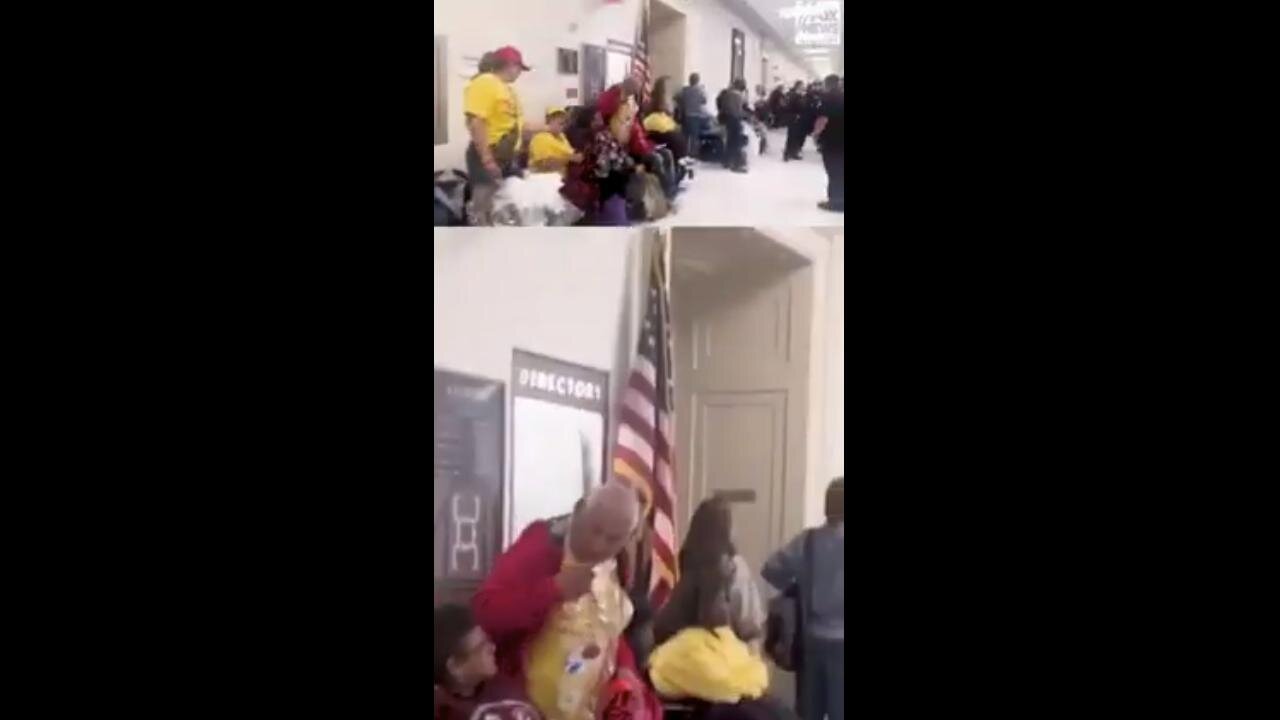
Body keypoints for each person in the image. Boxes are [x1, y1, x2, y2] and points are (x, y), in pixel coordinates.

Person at [471, 482, 658, 720]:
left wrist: (625, 666)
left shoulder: (619, 565)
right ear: (579, 510)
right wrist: (553, 589)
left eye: (613, 538)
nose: (598, 544)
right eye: (594, 529)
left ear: (629, 538)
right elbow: (485, 612)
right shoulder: (540, 545)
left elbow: (607, 628)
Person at [762, 478, 844, 720]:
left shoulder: (807, 542)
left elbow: (771, 570)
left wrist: (800, 583)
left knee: (809, 714)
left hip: (811, 641)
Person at [653, 496, 766, 651]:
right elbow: (750, 626)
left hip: (681, 660)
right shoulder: (736, 569)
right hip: (727, 662)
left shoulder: (686, 563)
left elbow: (664, 627)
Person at [435, 603, 543, 720]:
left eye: (487, 640)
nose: (492, 648)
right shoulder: (446, 711)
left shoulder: (504, 685)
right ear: (455, 667)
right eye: (480, 647)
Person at [463, 45, 533, 224]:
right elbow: (476, 121)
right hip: (488, 154)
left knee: (506, 205)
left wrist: (550, 128)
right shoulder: (485, 82)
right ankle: (480, 242)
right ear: (510, 65)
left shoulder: (509, 91)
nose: (519, 73)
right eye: (519, 68)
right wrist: (487, 159)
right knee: (484, 207)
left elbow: (519, 124)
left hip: (507, 157)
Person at [561, 85, 639, 225]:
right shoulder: (600, 136)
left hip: (604, 183)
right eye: (596, 118)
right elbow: (606, 167)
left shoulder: (602, 133)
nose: (599, 120)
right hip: (602, 186)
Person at [811, 75, 844, 212]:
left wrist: (815, 134)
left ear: (827, 84)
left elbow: (823, 119)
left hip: (832, 140)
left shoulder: (828, 98)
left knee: (833, 170)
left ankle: (836, 202)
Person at [528, 107, 582, 174]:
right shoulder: (541, 138)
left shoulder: (562, 136)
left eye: (563, 117)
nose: (562, 119)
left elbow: (570, 152)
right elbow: (542, 165)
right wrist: (570, 158)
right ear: (549, 120)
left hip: (562, 177)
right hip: (545, 178)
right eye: (556, 116)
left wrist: (577, 156)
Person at [676, 73, 709, 160]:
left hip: (686, 115)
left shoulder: (684, 90)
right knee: (694, 136)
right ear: (697, 81)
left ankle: (684, 153)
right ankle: (693, 154)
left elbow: (677, 98)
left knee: (685, 136)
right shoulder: (700, 90)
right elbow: (704, 101)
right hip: (695, 116)